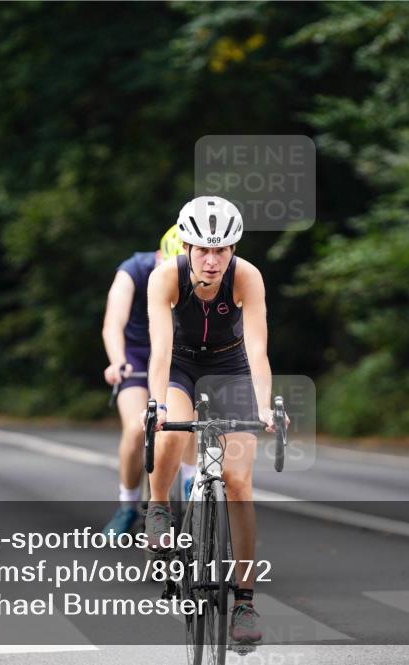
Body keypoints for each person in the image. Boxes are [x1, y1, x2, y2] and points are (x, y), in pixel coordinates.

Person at [145, 195, 283, 645]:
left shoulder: (247, 277)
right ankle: (159, 507)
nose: (211, 259)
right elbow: (160, 350)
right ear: (187, 246)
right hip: (181, 365)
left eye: (220, 249)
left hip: (230, 367)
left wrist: (263, 405)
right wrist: (157, 404)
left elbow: (257, 349)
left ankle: (244, 600)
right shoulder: (165, 277)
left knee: (239, 481)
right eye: (203, 249)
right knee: (171, 431)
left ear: (232, 249)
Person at [100, 226, 188, 537]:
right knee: (137, 428)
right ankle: (127, 505)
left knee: (184, 420)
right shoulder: (133, 270)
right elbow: (113, 323)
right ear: (160, 256)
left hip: (173, 352)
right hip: (135, 355)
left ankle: (188, 490)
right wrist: (117, 361)